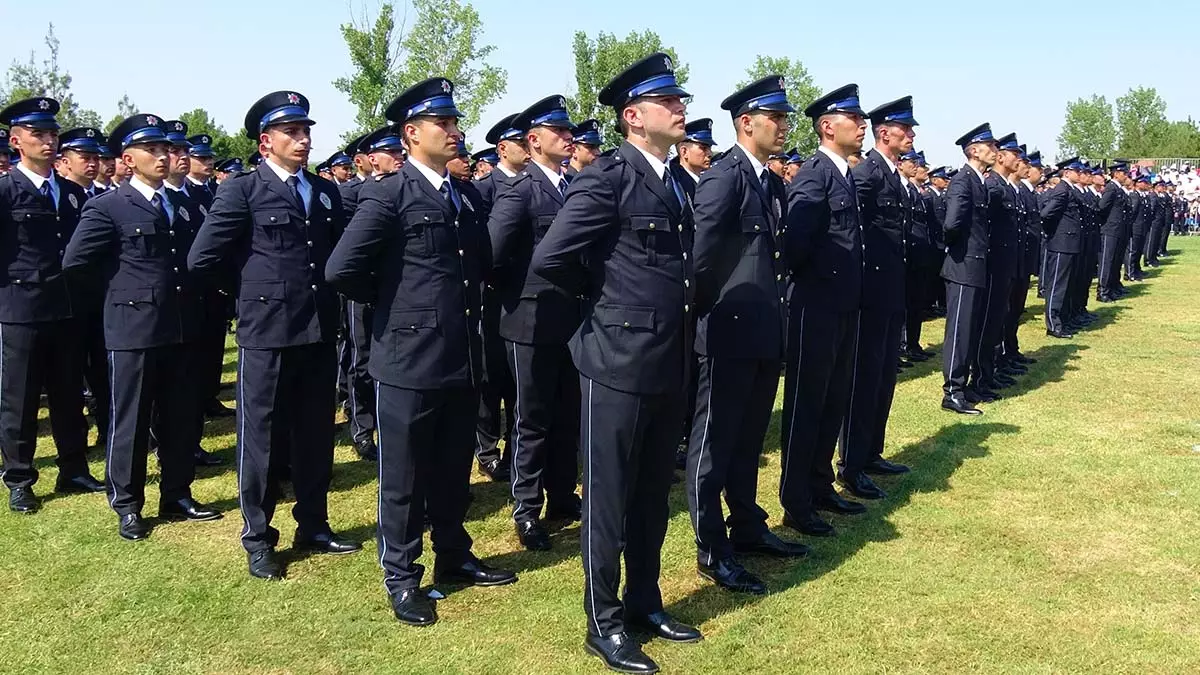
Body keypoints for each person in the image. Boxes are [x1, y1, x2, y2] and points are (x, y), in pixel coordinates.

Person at [531, 52, 703, 673]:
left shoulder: (677, 179)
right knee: (607, 498)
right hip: (616, 358)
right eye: (669, 102)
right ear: (634, 116)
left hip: (666, 357)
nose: (681, 108)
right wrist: (607, 310)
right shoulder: (607, 177)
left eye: (680, 100)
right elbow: (553, 258)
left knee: (654, 493)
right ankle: (603, 622)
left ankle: (644, 601)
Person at [327, 77, 518, 627]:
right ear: (411, 134)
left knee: (452, 468)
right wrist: (396, 310)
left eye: (456, 123)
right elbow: (342, 269)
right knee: (405, 476)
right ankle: (403, 576)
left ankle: (454, 556)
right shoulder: (388, 194)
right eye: (444, 124)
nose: (455, 132)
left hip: (460, 353)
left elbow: (476, 266)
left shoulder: (461, 194)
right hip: (408, 360)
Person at [188, 90, 361, 580]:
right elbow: (203, 259)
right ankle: (259, 537)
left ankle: (315, 524)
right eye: (291, 132)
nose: (302, 139)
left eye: (306, 131)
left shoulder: (324, 191)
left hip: (317, 328)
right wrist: (251, 292)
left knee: (314, 434)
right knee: (260, 438)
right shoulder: (241, 190)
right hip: (266, 332)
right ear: (266, 141)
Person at [63, 114, 222, 540]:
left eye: (164, 148)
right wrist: (121, 295)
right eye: (151, 149)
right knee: (130, 420)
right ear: (127, 160)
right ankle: (128, 503)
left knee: (180, 415)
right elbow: (77, 263)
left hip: (182, 324)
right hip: (134, 329)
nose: (162, 155)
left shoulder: (185, 204)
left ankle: (176, 492)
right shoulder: (108, 206)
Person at [688, 74, 810, 598]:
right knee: (713, 446)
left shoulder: (770, 180)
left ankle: (748, 525)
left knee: (746, 441)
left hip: (762, 332)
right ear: (746, 123)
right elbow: (699, 259)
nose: (784, 127)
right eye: (775, 119)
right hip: (727, 335)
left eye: (785, 119)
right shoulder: (725, 178)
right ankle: (712, 548)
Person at [487, 94, 584, 551]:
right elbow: (493, 255)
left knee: (568, 414)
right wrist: (518, 295)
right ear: (534, 140)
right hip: (529, 322)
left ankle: (563, 494)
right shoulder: (520, 189)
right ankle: (526, 508)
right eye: (559, 132)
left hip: (569, 320)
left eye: (568, 132)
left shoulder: (571, 185)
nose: (568, 138)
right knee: (532, 419)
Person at [0, 97, 105, 513]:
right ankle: (20, 477)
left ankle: (74, 467)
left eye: (53, 134)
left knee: (68, 394)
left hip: (68, 308)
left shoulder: (74, 194)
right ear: (17, 141)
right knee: (19, 398)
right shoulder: (6, 190)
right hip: (21, 310)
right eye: (38, 134)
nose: (48, 141)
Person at [779, 83, 867, 538]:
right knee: (806, 406)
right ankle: (795, 499)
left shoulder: (844, 174)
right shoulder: (814, 175)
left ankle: (819, 484)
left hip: (843, 307)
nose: (864, 124)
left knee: (833, 401)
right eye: (856, 119)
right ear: (829, 127)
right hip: (815, 308)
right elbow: (795, 247)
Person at [837, 95, 917, 500]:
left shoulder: (892, 175)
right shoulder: (866, 175)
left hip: (891, 292)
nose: (912, 135)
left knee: (884, 375)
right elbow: (859, 240)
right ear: (885, 132)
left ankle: (872, 452)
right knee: (864, 379)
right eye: (906, 129)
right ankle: (851, 463)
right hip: (871, 293)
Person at [940, 123, 997, 415]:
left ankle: (967, 386)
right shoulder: (963, 181)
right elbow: (952, 224)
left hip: (975, 265)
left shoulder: (979, 181)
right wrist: (957, 249)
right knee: (960, 331)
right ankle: (953, 391)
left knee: (971, 329)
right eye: (990, 147)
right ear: (974, 150)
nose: (995, 152)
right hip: (963, 265)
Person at [1040, 157, 1087, 340]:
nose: (1080, 174)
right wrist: (1055, 233)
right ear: (1067, 172)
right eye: (1077, 171)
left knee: (1066, 285)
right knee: (1057, 285)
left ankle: (1063, 319)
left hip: (1069, 243)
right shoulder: (1062, 189)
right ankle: (1053, 324)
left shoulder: (1069, 189)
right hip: (1061, 244)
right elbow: (1046, 214)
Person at [1097, 161, 1130, 302]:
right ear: (1116, 174)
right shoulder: (1111, 188)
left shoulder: (1119, 189)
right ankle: (1103, 291)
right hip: (1110, 229)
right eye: (1123, 173)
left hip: (1118, 230)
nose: (1126, 175)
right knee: (1107, 261)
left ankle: (1111, 287)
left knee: (1115, 261)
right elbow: (1102, 207)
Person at [670, 118, 715, 198]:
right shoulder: (677, 184)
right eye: (703, 148)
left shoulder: (701, 182)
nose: (710, 154)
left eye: (710, 148)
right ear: (684, 152)